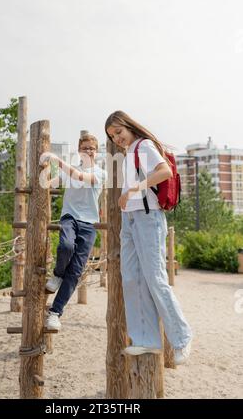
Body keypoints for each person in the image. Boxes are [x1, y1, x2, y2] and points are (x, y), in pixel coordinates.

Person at [105, 111, 192, 365]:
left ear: (130, 126)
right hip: (129, 220)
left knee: (155, 278)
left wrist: (135, 188)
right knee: (131, 277)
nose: (117, 138)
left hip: (147, 217)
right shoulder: (129, 152)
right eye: (112, 136)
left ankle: (182, 337)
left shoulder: (143, 145)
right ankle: (146, 340)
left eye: (119, 132)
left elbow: (164, 171)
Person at [39, 134, 106, 331]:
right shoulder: (70, 170)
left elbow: (80, 178)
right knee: (66, 246)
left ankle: (55, 313)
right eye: (85, 148)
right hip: (70, 217)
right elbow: (48, 184)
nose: (89, 151)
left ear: (96, 151)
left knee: (75, 271)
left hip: (89, 224)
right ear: (79, 150)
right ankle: (58, 274)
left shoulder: (102, 173)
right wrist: (44, 168)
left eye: (92, 148)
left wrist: (57, 160)